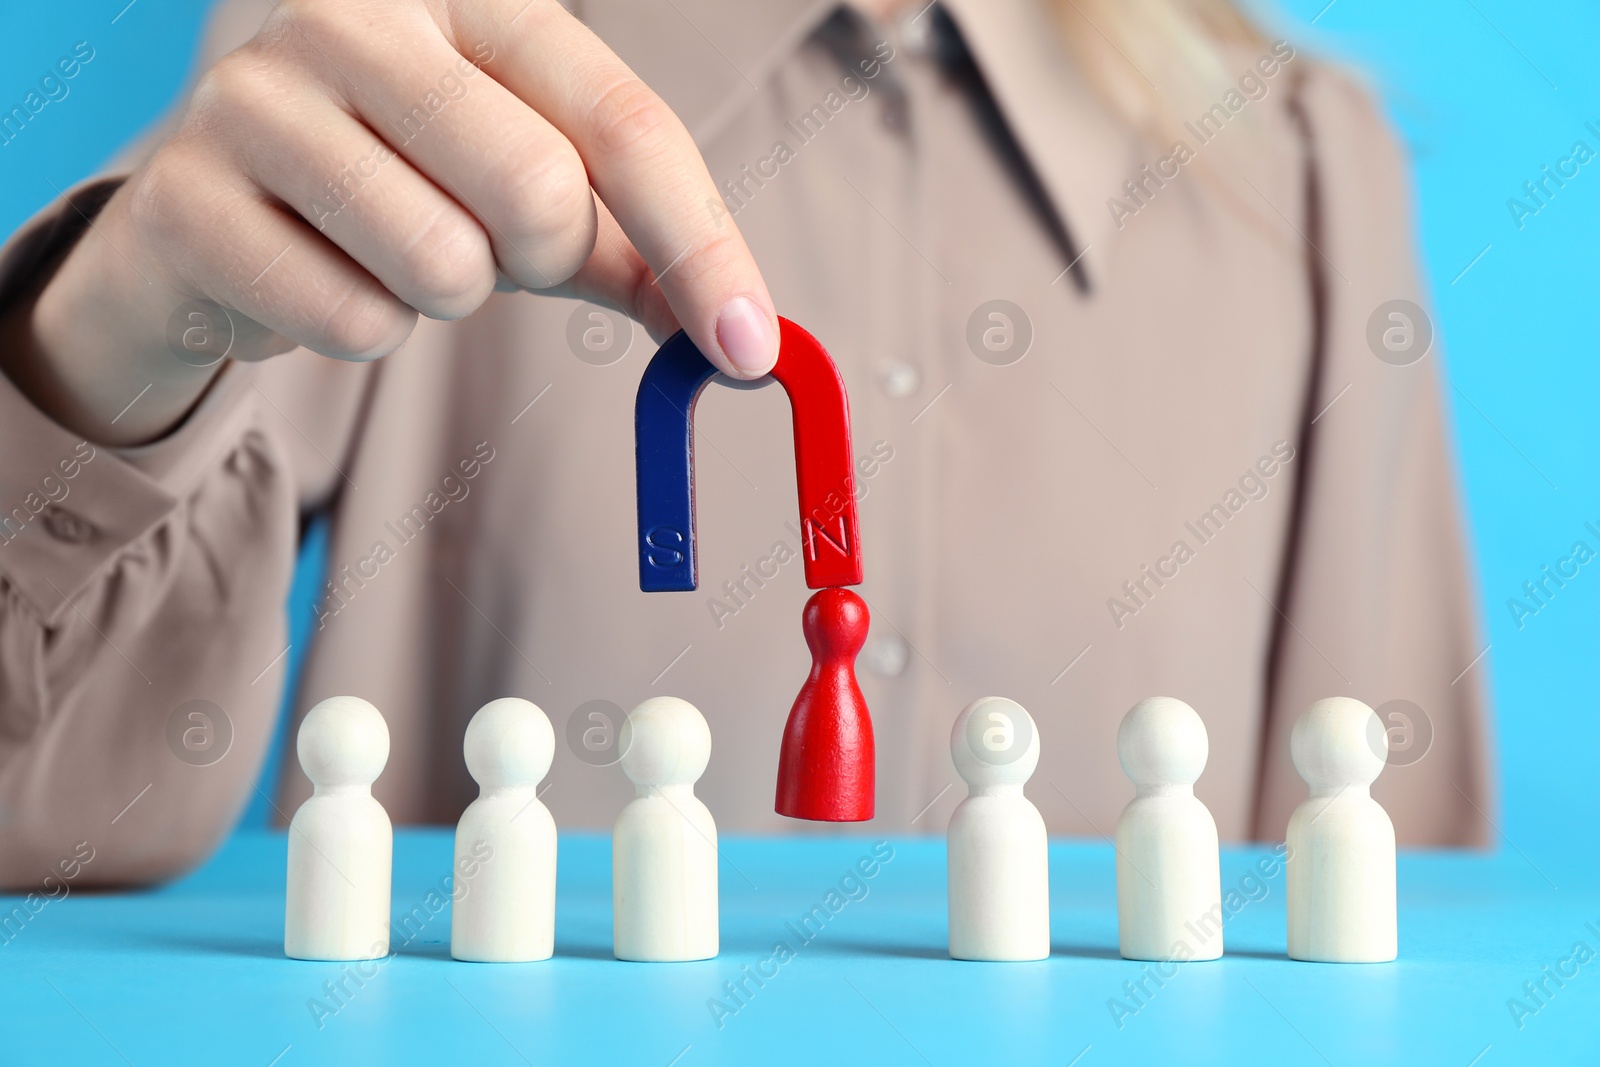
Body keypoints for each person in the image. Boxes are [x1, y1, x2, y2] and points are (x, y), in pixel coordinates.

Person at [0, 0, 1490, 888]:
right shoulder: (410, 87)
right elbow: (48, 812)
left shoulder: (1310, 180)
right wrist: (112, 344)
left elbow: (1377, 879)